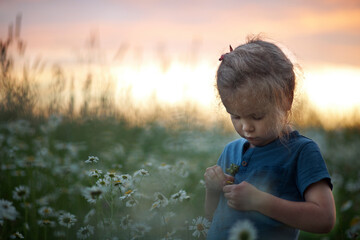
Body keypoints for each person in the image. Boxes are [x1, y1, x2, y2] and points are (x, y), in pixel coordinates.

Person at [204, 36, 336, 240]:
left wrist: (260, 201)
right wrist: (212, 190)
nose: (246, 127)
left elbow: (324, 219)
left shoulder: (301, 152)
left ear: (286, 100)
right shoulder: (230, 152)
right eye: (235, 116)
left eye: (257, 116)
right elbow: (210, 219)